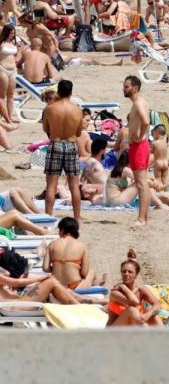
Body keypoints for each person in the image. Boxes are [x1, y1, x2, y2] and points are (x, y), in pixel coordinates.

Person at [43, 80, 84, 221]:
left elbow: (46, 129)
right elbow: (78, 133)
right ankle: (77, 218)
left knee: (51, 185)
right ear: (71, 93)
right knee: (73, 185)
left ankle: (48, 217)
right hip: (71, 145)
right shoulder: (77, 110)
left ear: (58, 92)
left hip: (56, 144)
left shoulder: (50, 109)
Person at [123, 76, 151, 227]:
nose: (124, 89)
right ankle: (144, 217)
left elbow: (146, 121)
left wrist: (139, 136)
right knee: (142, 183)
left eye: (126, 86)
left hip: (139, 146)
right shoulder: (139, 102)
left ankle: (141, 218)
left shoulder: (138, 103)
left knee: (141, 183)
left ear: (135, 88)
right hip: (140, 145)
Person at [107, 251, 163, 326]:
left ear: (136, 275)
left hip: (132, 329)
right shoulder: (116, 292)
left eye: (130, 272)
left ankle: (164, 335)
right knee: (131, 310)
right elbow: (134, 302)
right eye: (124, 271)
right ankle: (148, 334)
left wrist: (148, 315)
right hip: (114, 331)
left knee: (152, 311)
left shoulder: (141, 290)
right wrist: (123, 287)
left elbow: (158, 305)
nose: (126, 274)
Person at [45, 218, 97, 290]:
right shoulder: (82, 246)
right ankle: (97, 284)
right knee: (91, 272)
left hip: (56, 287)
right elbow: (84, 273)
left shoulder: (52, 244)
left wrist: (56, 267)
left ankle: (97, 283)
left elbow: (45, 268)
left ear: (62, 230)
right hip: (74, 287)